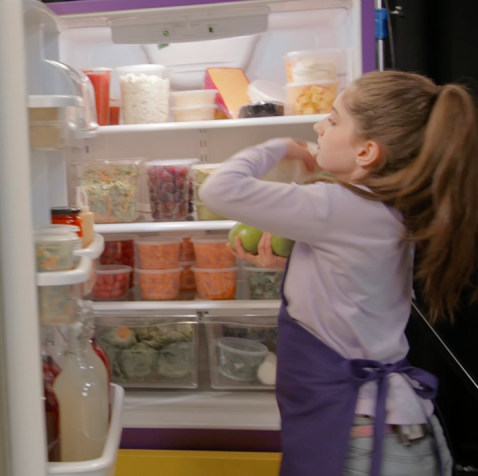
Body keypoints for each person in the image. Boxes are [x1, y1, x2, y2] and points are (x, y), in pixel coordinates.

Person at [200, 71, 478, 476]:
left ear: (366, 152)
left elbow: (218, 190)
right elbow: (359, 285)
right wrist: (289, 265)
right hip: (393, 428)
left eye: (332, 120)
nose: (318, 126)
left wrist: (277, 147)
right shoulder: (385, 207)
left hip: (361, 438)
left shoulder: (335, 204)